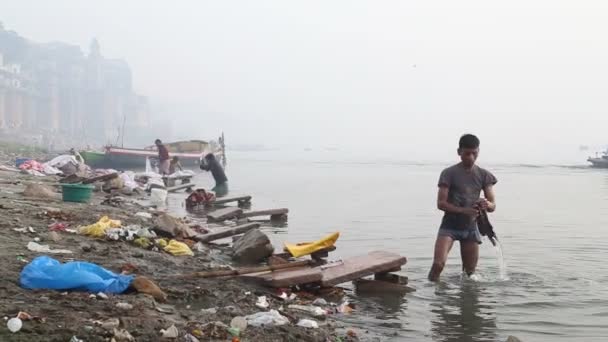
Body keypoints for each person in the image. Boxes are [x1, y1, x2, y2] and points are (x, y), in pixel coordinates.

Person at [428, 134, 497, 281]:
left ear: (478, 151)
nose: (471, 157)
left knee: (469, 274)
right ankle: (432, 295)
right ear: (459, 152)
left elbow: (492, 205)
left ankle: (466, 300)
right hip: (449, 226)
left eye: (474, 153)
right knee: (438, 264)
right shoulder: (448, 173)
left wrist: (486, 204)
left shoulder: (484, 175)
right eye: (467, 153)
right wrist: (463, 210)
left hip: (471, 228)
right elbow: (441, 203)